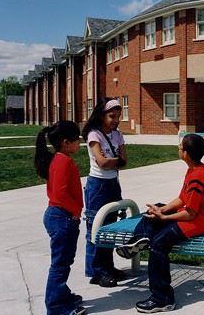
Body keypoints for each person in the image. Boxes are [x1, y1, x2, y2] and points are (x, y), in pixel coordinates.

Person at [116, 133, 204, 313]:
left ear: (186, 153)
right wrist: (162, 211)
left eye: (180, 146)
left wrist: (164, 218)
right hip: (195, 214)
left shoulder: (198, 176)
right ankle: (140, 239)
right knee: (153, 209)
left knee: (159, 244)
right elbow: (182, 198)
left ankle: (162, 299)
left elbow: (190, 214)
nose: (178, 148)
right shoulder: (194, 169)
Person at [34, 120, 86, 315]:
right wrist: (76, 211)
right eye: (77, 139)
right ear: (66, 142)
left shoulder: (57, 159)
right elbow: (61, 193)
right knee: (60, 265)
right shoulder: (64, 161)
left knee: (63, 261)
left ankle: (61, 294)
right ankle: (56, 308)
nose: (79, 143)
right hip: (62, 217)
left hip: (57, 215)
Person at [82, 98, 128, 288]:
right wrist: (115, 160)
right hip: (98, 185)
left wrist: (114, 160)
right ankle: (96, 271)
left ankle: (108, 266)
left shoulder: (117, 135)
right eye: (112, 116)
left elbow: (124, 160)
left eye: (118, 116)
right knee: (95, 228)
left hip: (113, 184)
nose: (115, 120)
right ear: (101, 115)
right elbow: (101, 162)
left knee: (109, 228)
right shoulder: (94, 135)